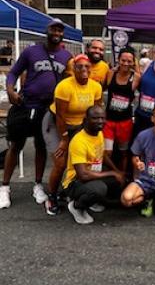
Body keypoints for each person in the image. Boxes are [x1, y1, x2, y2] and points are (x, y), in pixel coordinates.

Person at [0, 19, 72, 209]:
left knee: (41, 146)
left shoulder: (66, 56)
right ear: (47, 31)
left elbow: (70, 80)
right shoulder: (32, 51)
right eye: (53, 29)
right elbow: (13, 73)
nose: (57, 32)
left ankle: (38, 185)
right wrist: (10, 91)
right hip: (25, 104)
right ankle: (5, 187)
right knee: (16, 145)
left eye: (60, 30)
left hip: (48, 109)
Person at [43, 54, 103, 215]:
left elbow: (95, 113)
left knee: (84, 160)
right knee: (61, 162)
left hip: (79, 125)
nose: (83, 69)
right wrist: (64, 139)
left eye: (86, 67)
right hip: (56, 123)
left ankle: (75, 193)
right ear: (73, 69)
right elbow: (61, 116)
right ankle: (52, 196)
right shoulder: (64, 86)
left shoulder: (96, 87)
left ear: (91, 69)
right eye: (79, 67)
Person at [63, 105, 125, 225]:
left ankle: (92, 201)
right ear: (86, 120)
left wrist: (117, 171)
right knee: (99, 189)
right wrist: (111, 173)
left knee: (120, 180)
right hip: (75, 182)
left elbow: (102, 155)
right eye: (95, 118)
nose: (100, 121)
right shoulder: (79, 141)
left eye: (102, 118)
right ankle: (76, 206)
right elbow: (83, 175)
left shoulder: (98, 133)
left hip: (93, 176)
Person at [103, 47, 140, 173]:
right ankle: (109, 174)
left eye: (129, 61)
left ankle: (122, 176)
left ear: (133, 62)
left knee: (123, 152)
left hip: (125, 121)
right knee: (107, 151)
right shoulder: (110, 73)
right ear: (118, 60)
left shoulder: (136, 78)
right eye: (123, 60)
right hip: (109, 120)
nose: (125, 63)